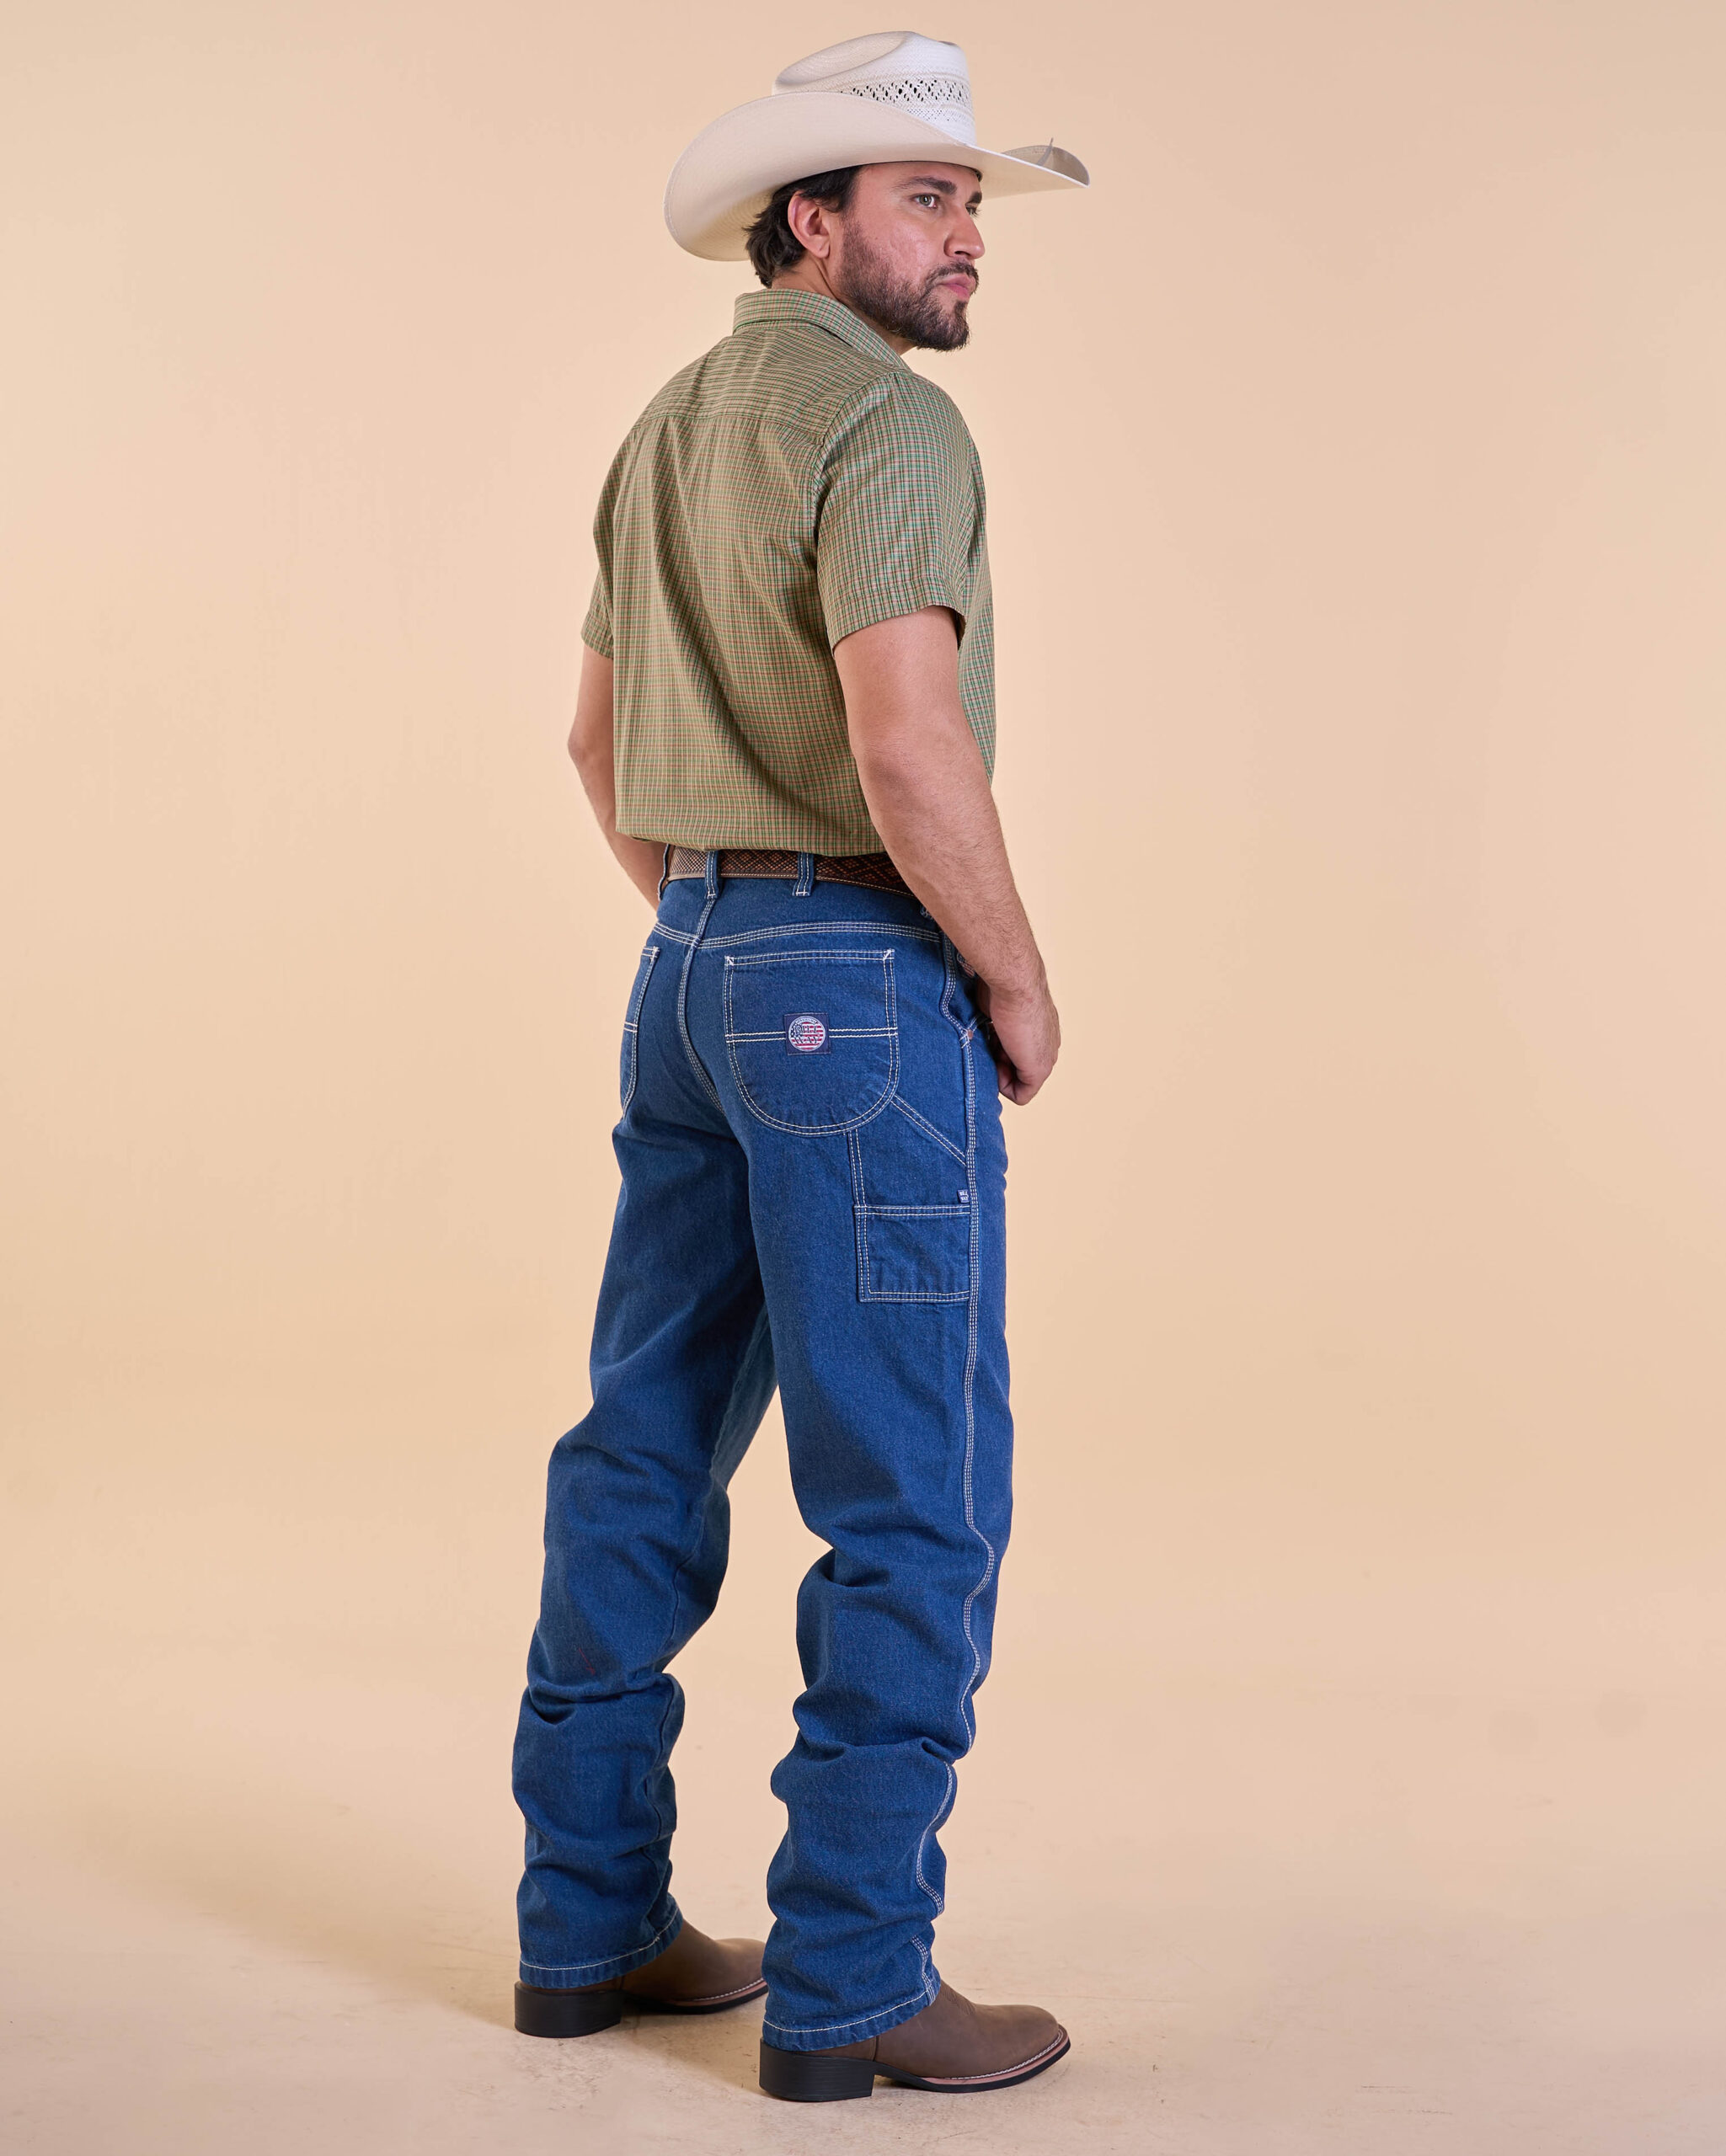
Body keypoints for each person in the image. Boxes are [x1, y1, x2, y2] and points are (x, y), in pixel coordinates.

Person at [510, 31, 1090, 2104]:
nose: (964, 237)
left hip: (684, 967)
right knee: (911, 1492)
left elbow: (596, 745)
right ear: (807, 220)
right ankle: (850, 1979)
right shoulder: (889, 425)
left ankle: (584, 1923)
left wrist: (718, 926)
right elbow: (903, 743)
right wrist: (1007, 978)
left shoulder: (661, 429)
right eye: (925, 198)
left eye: (968, 202)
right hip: (853, 972)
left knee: (642, 1449)